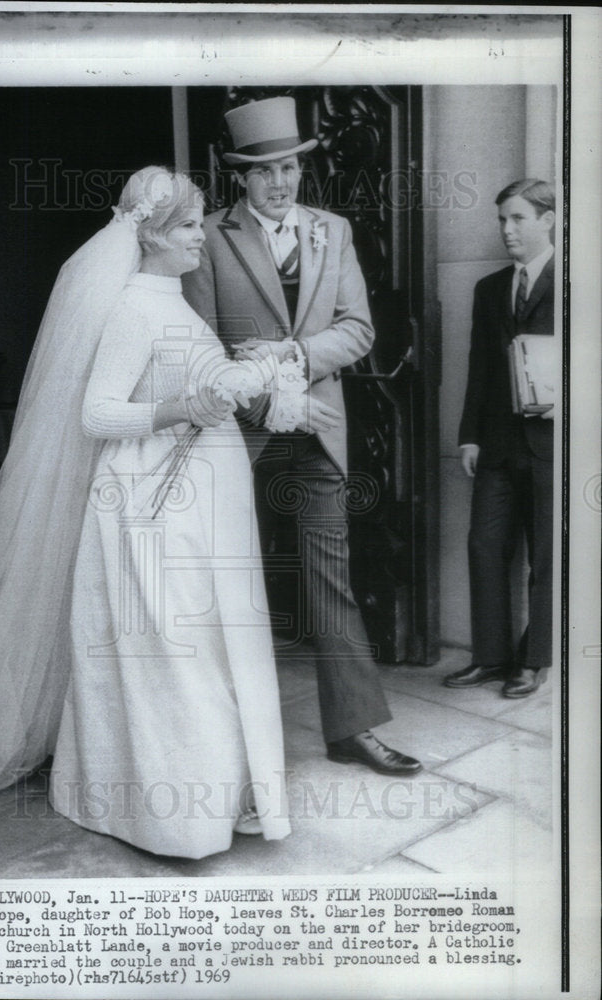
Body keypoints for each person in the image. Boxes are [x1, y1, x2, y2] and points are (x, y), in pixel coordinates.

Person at [0, 166, 291, 860]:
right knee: (169, 658)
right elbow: (98, 412)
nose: (197, 236)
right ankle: (168, 813)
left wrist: (250, 372)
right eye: (183, 226)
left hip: (195, 504)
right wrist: (184, 406)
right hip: (146, 503)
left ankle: (213, 793)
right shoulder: (133, 309)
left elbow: (188, 379)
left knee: (202, 648)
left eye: (196, 222)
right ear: (145, 235)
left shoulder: (174, 303)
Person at [183, 96, 421, 776]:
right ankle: (218, 742)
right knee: (226, 580)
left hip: (318, 431)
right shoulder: (207, 237)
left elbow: (359, 330)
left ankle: (352, 728)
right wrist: (263, 396)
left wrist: (288, 360)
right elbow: (200, 351)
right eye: (263, 172)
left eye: (288, 167)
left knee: (329, 580)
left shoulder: (332, 231)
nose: (279, 182)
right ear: (240, 177)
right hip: (237, 435)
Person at [444, 178, 555, 699]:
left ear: (548, 219)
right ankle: (490, 657)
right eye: (502, 220)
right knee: (485, 545)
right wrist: (469, 437)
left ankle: (533, 662)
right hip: (497, 445)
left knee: (548, 556)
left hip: (555, 445)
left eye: (518, 219)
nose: (507, 230)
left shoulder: (578, 280)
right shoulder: (489, 289)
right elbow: (480, 370)